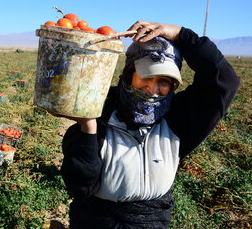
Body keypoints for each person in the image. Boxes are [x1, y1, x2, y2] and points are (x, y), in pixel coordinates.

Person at [59, 21, 240, 228]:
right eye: (146, 76)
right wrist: (88, 129)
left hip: (152, 221)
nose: (152, 89)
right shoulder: (99, 113)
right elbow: (80, 187)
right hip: (96, 221)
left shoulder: (177, 120)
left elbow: (224, 81)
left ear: (173, 85)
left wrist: (182, 35)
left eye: (164, 81)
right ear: (128, 74)